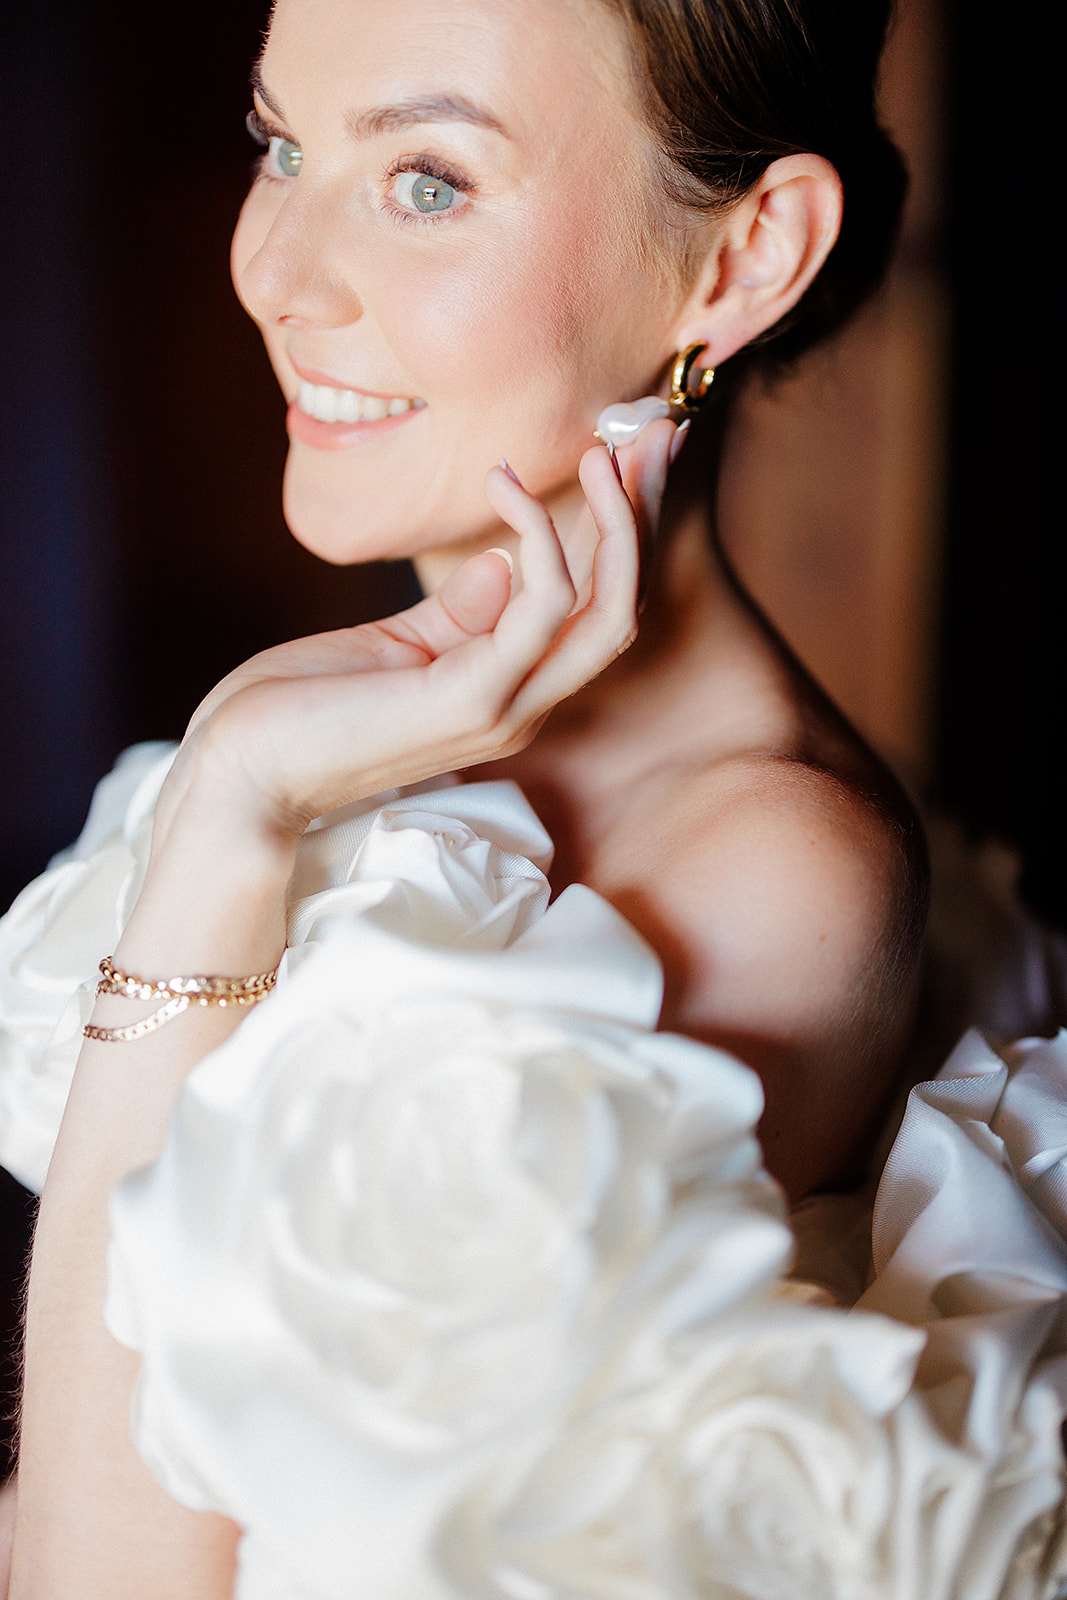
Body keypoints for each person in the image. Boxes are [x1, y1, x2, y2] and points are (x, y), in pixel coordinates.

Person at [1, 0, 942, 1592]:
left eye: (426, 182)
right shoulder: (378, 711)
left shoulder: (762, 872)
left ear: (743, 260)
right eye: (280, 144)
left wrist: (229, 814)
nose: (277, 272)